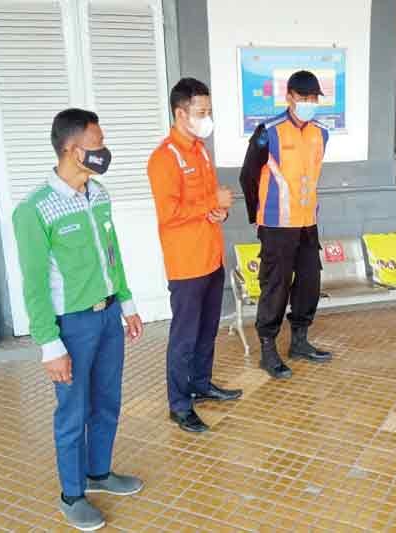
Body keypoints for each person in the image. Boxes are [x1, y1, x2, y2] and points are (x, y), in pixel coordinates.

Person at [13, 108, 145, 531]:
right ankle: (72, 495)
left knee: (107, 401)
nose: (104, 151)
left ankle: (99, 472)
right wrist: (49, 345)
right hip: (71, 326)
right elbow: (34, 284)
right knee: (73, 412)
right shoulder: (34, 210)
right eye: (98, 144)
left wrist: (126, 303)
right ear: (73, 150)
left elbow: (112, 255)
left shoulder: (99, 194)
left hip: (107, 317)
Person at [147, 78, 243, 434]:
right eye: (201, 112)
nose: (207, 118)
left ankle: (201, 384)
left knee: (206, 330)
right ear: (180, 113)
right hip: (186, 264)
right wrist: (211, 202)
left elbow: (206, 202)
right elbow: (169, 213)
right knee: (185, 337)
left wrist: (220, 211)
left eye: (208, 111)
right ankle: (179, 404)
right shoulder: (164, 158)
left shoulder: (200, 150)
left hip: (211, 257)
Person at [238, 70, 333, 380]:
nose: (309, 103)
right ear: (289, 96)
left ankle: (300, 341)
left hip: (307, 223)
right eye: (304, 97)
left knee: (309, 282)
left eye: (314, 98)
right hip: (276, 225)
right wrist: (258, 216)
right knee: (275, 286)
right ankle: (268, 349)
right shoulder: (268, 132)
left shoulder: (321, 133)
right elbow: (247, 176)